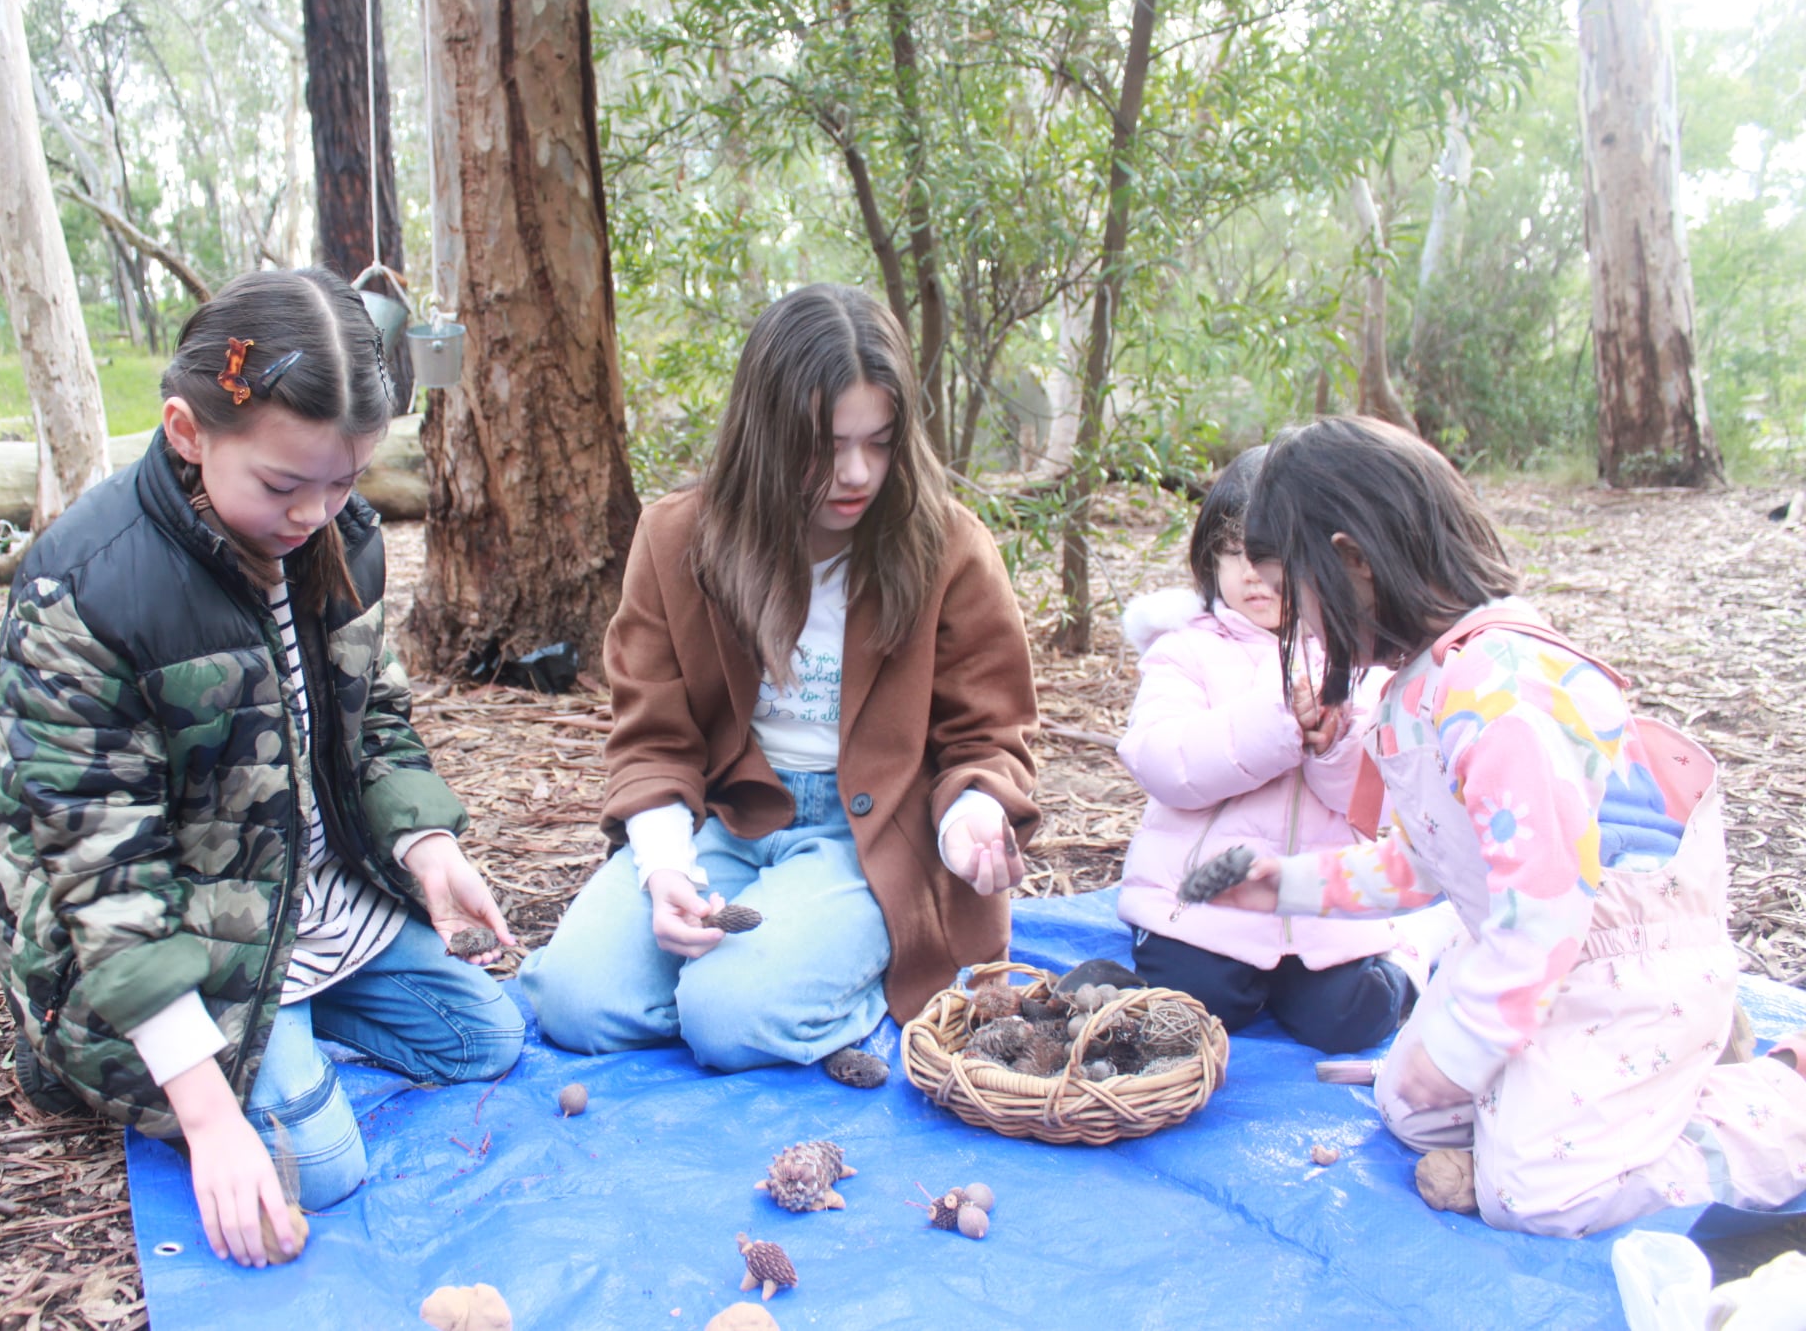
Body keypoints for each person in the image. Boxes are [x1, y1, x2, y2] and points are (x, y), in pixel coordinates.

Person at [0, 269, 524, 1267]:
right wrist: (211, 1119)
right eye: (282, 484)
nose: (315, 512)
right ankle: (93, 1054)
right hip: (178, 933)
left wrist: (426, 844)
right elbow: (104, 878)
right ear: (189, 433)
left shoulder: (342, 537)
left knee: (485, 1044)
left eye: (344, 479)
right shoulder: (88, 589)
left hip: (309, 903)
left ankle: (292, 1026)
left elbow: (376, 724)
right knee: (313, 1172)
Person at [1212, 415, 1806, 1237]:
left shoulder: (1504, 694)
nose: (1301, 626)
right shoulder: (1418, 687)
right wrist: (1288, 883)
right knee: (1409, 1107)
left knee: (1534, 1193)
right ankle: (1630, 1086)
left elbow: (1546, 922)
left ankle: (1773, 1097)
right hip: (1522, 953)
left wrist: (1456, 1056)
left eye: (1299, 597)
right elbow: (1429, 864)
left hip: (1615, 965)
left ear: (1354, 562)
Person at [519, 283, 1039, 1069]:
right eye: (826, 445)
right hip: (728, 820)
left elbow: (988, 732)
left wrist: (970, 813)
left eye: (880, 440)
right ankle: (763, 978)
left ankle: (844, 980)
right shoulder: (678, 541)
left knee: (728, 1017)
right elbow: (653, 739)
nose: (857, 473)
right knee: (575, 1001)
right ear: (766, 434)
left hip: (872, 836)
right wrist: (664, 870)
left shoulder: (948, 548)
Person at [1114, 447, 1449, 1054]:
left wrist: (1333, 741)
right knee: (1191, 1007)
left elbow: (1373, 803)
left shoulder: (1363, 657)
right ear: (1207, 557)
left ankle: (1418, 943)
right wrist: (1279, 725)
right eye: (1233, 551)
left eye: (1275, 557)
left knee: (1355, 1018)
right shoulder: (1185, 652)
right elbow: (1165, 763)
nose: (1251, 573)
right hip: (1205, 901)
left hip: (1324, 911)